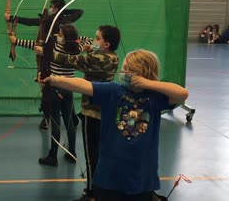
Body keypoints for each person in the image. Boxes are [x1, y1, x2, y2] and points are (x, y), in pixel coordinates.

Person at [39, 49, 189, 201]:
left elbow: (182, 93)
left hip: (142, 179)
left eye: (129, 69)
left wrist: (148, 83)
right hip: (108, 179)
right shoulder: (113, 91)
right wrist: (53, 79)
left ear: (143, 73)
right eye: (123, 69)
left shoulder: (155, 98)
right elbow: (83, 85)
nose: (123, 72)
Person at [52, 25, 121, 200]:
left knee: (92, 155)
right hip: (106, 111)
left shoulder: (96, 58)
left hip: (92, 113)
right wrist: (90, 49)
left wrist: (46, 52)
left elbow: (69, 60)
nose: (94, 40)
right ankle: (102, 189)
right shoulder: (112, 57)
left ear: (106, 44)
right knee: (101, 153)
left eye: (97, 38)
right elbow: (89, 58)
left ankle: (92, 194)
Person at [10, 24, 89, 167]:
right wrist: (75, 39)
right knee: (69, 121)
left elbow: (34, 45)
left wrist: (16, 41)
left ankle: (53, 156)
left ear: (64, 38)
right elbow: (88, 40)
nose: (57, 35)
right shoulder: (77, 49)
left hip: (55, 88)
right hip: (69, 88)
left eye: (60, 34)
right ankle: (72, 153)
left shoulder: (54, 48)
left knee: (55, 122)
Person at [5, 0, 84, 131]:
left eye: (52, 6)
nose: (50, 9)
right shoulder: (66, 20)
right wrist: (63, 11)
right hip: (62, 60)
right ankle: (71, 119)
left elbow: (31, 23)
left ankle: (47, 119)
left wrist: (12, 18)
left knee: (48, 90)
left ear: (57, 8)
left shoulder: (50, 20)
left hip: (50, 57)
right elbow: (79, 11)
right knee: (66, 92)